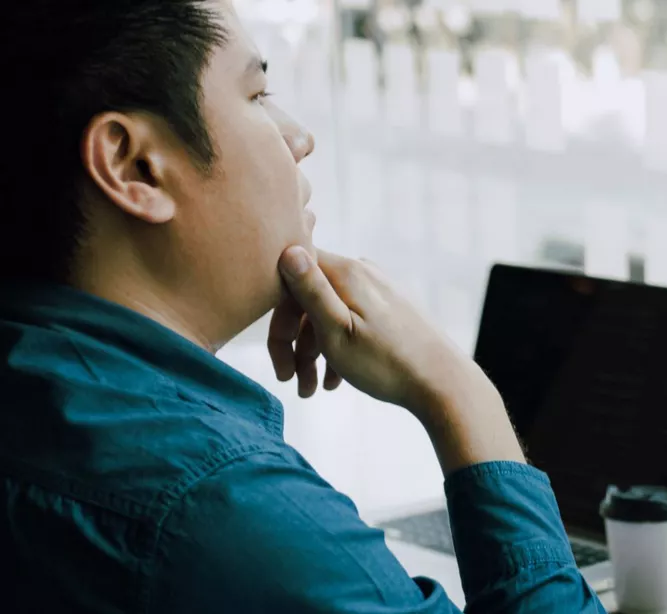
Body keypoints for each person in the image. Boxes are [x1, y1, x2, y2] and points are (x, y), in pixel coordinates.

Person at [0, 1, 606, 612]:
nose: (299, 138)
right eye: (258, 94)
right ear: (137, 167)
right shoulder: (222, 509)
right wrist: (460, 393)